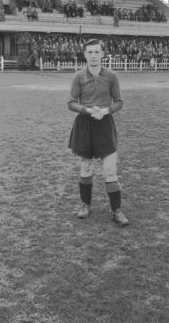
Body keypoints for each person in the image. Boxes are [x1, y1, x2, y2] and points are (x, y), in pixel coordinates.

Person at [67, 38, 129, 226]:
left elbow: (119, 102)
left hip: (105, 125)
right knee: (86, 168)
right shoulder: (78, 76)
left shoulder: (111, 76)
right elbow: (71, 103)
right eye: (90, 52)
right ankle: (85, 205)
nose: (93, 56)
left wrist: (104, 111)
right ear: (85, 54)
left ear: (102, 54)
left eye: (97, 52)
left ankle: (116, 210)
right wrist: (88, 110)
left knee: (110, 171)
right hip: (85, 126)